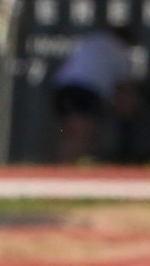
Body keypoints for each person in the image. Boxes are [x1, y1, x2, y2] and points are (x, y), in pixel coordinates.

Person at [51, 24, 137, 164]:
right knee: (81, 136)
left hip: (63, 88)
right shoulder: (118, 48)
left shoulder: (94, 39)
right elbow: (124, 88)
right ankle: (64, 173)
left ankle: (65, 170)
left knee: (72, 135)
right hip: (82, 90)